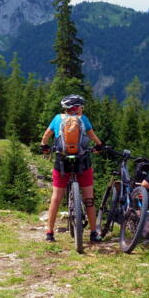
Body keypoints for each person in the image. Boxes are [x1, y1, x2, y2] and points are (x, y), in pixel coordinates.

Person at [40, 94, 103, 243]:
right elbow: (94, 138)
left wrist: (44, 147)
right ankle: (94, 233)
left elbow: (46, 137)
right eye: (81, 106)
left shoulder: (57, 119)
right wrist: (99, 147)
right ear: (75, 108)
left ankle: (49, 233)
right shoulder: (83, 120)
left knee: (56, 198)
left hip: (62, 163)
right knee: (89, 198)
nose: (82, 108)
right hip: (83, 162)